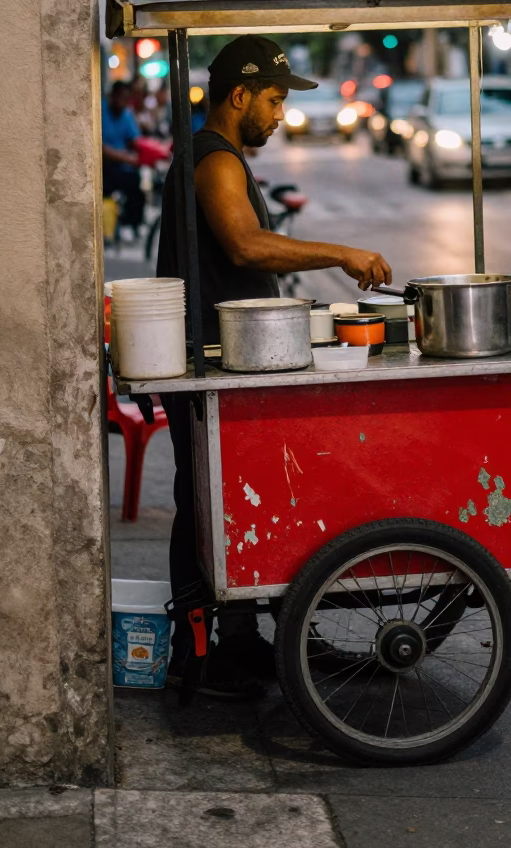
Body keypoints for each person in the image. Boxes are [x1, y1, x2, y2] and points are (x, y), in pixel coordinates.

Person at [157, 36, 392, 699]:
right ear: (239, 96)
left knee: (219, 500)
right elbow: (245, 242)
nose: (281, 113)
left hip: (220, 359)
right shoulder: (214, 157)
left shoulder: (217, 156)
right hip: (208, 363)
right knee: (204, 504)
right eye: (274, 99)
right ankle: (204, 654)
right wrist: (340, 254)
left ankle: (235, 643)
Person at [102, 81, 145, 234]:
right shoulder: (100, 110)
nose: (124, 102)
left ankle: (132, 224)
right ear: (113, 96)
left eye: (127, 99)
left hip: (122, 165)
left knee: (136, 183)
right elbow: (100, 148)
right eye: (121, 97)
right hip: (103, 166)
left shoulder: (126, 115)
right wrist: (126, 158)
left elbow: (136, 140)